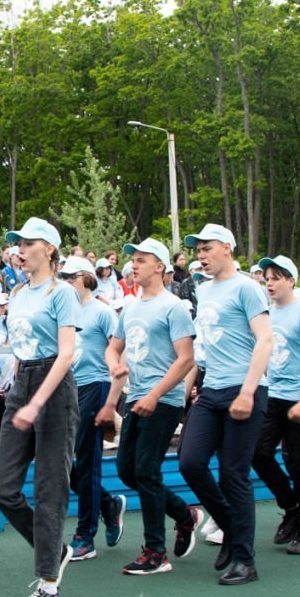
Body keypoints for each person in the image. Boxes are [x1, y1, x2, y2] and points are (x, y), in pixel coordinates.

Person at [0, 217, 80, 597]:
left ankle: (49, 586)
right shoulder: (18, 292)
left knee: (49, 489)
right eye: (18, 244)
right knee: (1, 488)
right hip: (21, 382)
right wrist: (13, 388)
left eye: (28, 243)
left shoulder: (62, 293)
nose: (20, 250)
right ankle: (54, 549)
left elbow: (66, 353)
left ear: (49, 249)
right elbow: (19, 345)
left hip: (54, 389)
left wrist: (38, 401)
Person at [177, 224, 272, 586]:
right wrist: (190, 390)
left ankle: (246, 561)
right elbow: (204, 348)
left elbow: (265, 339)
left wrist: (248, 391)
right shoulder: (204, 290)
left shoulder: (247, 287)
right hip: (212, 389)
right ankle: (232, 527)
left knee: (234, 473)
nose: (200, 254)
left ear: (227, 249)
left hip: (243, 388)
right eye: (197, 249)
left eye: (207, 248)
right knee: (190, 461)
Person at [98, 239, 200, 575]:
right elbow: (113, 348)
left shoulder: (174, 307)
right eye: (133, 260)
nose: (134, 265)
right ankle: (185, 514)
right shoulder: (130, 308)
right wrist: (114, 365)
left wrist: (155, 394)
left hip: (164, 400)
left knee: (146, 471)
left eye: (142, 260)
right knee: (127, 471)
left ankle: (156, 552)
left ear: (159, 267)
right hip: (136, 397)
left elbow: (186, 359)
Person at [250, 254, 300, 554]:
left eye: (276, 278)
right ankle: (291, 506)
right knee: (257, 452)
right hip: (274, 396)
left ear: (291, 281)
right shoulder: (266, 316)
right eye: (267, 279)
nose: (269, 283)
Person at [59, 254, 126, 561]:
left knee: (87, 460)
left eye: (71, 277)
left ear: (86, 279)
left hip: (96, 385)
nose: (66, 282)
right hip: (68, 388)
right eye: (63, 277)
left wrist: (113, 396)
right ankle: (108, 504)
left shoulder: (102, 312)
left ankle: (85, 535)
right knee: (62, 460)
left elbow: (119, 351)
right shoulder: (63, 311)